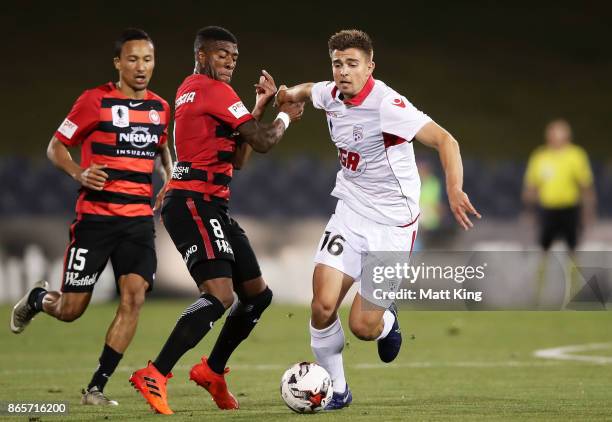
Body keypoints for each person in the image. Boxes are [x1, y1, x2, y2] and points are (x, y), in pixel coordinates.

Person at [276, 29, 480, 409]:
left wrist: (454, 189)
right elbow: (308, 90)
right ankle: (337, 390)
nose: (343, 72)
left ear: (370, 66)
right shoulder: (331, 94)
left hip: (392, 227)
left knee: (362, 326)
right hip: (350, 213)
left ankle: (387, 322)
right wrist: (286, 95)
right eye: (337, 64)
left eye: (352, 64)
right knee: (321, 306)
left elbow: (445, 141)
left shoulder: (388, 105)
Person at [128, 26, 303, 415]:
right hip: (194, 202)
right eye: (223, 54)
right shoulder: (214, 91)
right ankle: (155, 372)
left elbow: (237, 158)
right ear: (203, 54)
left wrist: (256, 109)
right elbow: (262, 142)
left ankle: (212, 370)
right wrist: (285, 117)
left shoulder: (190, 89)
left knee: (257, 296)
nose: (230, 62)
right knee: (220, 294)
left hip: (209, 204)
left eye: (235, 57)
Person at [9, 29, 172, 406]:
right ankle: (37, 298)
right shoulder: (93, 101)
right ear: (118, 63)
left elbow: (165, 149)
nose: (141, 67)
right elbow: (56, 147)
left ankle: (96, 387)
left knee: (134, 299)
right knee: (70, 310)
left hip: (137, 222)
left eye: (147, 59)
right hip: (95, 221)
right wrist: (78, 173)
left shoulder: (160, 107)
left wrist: (169, 176)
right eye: (132, 59)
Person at [523, 119, 596, 304]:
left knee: (572, 251)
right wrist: (529, 210)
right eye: (552, 133)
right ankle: (537, 296)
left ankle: (574, 295)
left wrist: (588, 211)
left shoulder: (576, 155)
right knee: (543, 251)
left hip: (569, 209)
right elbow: (532, 186)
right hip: (547, 210)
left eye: (559, 133)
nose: (555, 137)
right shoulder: (540, 156)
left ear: (567, 136)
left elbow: (585, 186)